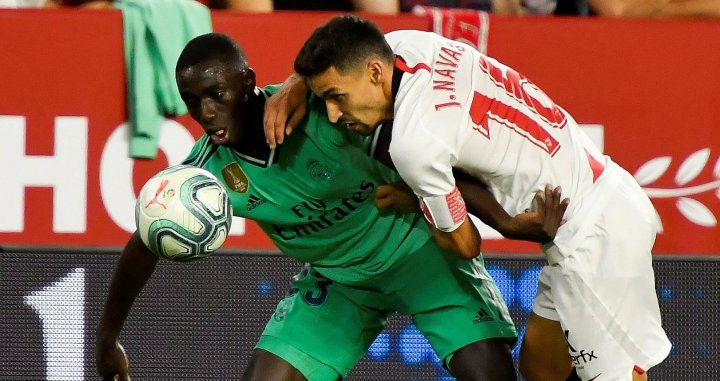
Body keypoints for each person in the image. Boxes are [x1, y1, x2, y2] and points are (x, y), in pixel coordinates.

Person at [96, 32, 569, 381]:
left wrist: (505, 222)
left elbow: (433, 168)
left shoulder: (327, 110)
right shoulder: (203, 178)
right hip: (340, 282)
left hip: (420, 255)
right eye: (192, 102)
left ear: (247, 82)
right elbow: (143, 246)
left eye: (216, 95)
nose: (205, 113)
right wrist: (107, 337)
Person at [266, 15, 672, 381]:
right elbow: (351, 46)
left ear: (374, 72)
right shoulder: (412, 44)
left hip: (593, 236)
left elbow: (464, 245)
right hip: (598, 195)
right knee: (541, 368)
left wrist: (423, 200)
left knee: (617, 375)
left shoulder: (414, 145)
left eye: (337, 96)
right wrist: (296, 83)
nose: (334, 114)